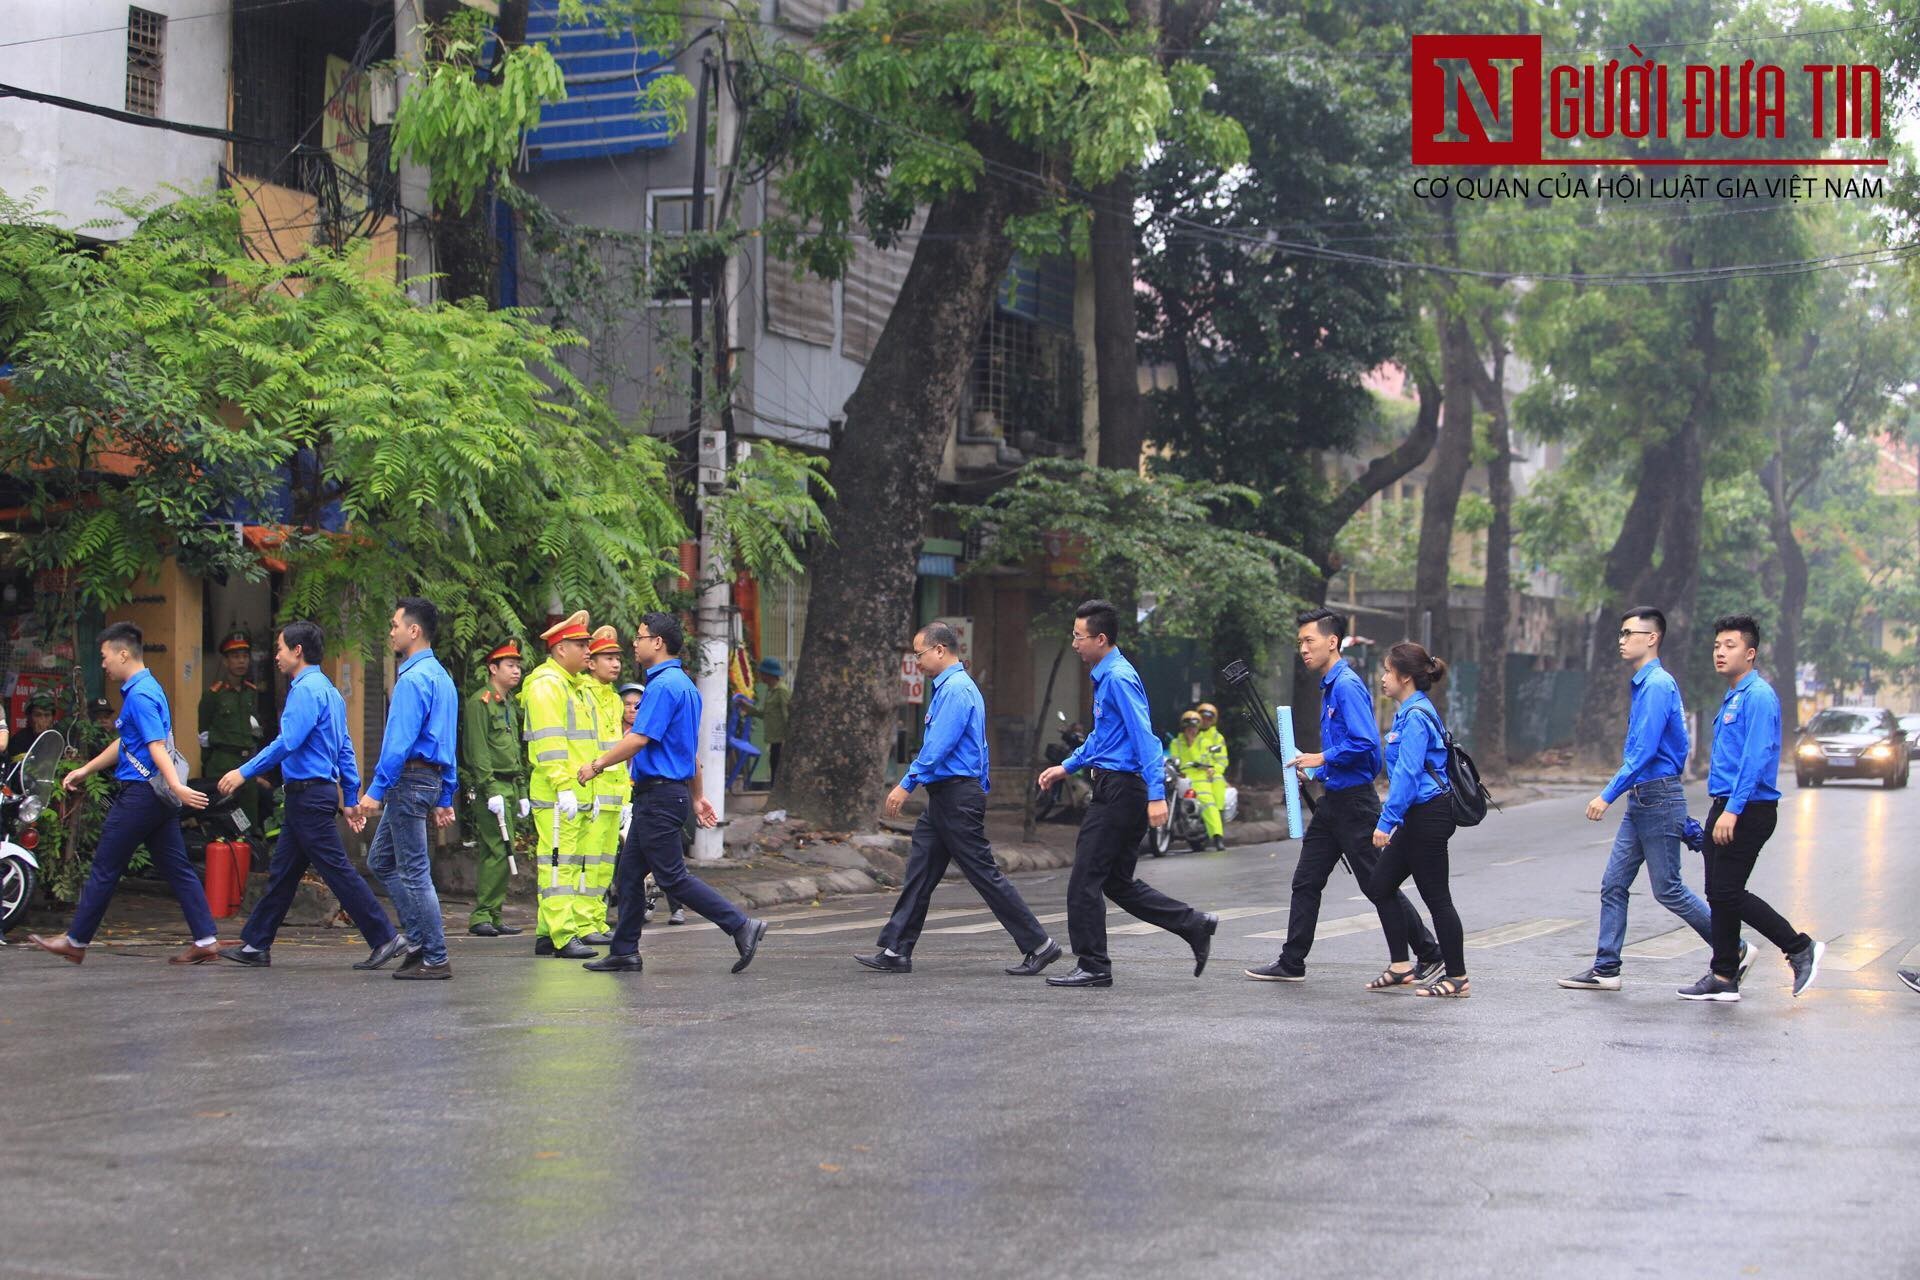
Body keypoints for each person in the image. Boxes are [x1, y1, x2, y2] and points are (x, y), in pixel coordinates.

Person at [1247, 609, 1445, 985]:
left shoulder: (1346, 685)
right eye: (1300, 643)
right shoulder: (1330, 685)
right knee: (1306, 880)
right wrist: (1317, 771)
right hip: (1333, 802)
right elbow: (1346, 751)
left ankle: (1429, 952)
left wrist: (1322, 757)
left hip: (1355, 804)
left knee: (1377, 884)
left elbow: (1365, 745)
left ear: (1332, 642)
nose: (1303, 649)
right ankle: (1292, 961)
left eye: (1309, 641)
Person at [1560, 606, 1748, 991]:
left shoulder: (1658, 685)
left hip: (1658, 797)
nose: (1622, 640)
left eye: (1629, 633)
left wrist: (1606, 795)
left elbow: (1643, 752)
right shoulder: (1648, 685)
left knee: (1668, 888)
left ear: (1652, 638)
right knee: (1614, 883)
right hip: (1645, 798)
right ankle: (1606, 968)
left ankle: (1735, 947)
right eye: (1621, 633)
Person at [856, 622, 1060, 976]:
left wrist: (906, 783)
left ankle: (1040, 945)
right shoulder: (955, 688)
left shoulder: (955, 690)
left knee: (983, 873)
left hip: (955, 796)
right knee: (920, 872)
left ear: (939, 650)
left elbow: (939, 747)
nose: (916, 661)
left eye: (919, 654)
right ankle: (896, 950)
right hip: (947, 797)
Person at [1035, 599, 1216, 988]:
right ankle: (1194, 924)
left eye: (1078, 637)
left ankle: (1094, 965)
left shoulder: (1118, 678)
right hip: (1117, 787)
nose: (1074, 644)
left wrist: (1155, 796)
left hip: (1121, 791)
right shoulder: (1106, 676)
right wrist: (1067, 765)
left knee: (1084, 879)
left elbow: (1146, 739)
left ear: (1100, 639)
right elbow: (1104, 737)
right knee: (1117, 882)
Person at [576, 611, 767, 974]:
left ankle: (741, 925)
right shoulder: (685, 686)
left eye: (640, 636)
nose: (634, 642)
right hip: (667, 794)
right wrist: (696, 797)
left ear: (657, 642)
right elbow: (688, 753)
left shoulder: (663, 687)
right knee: (630, 875)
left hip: (659, 797)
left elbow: (638, 738)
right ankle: (625, 951)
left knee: (672, 877)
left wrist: (597, 764)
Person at [214, 621, 408, 971]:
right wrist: (350, 797)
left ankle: (384, 936)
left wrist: (243, 772)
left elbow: (288, 742)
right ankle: (256, 944)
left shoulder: (304, 691)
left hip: (307, 795)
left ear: (297, 651)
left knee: (336, 870)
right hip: (313, 795)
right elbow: (345, 749)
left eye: (280, 649)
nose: (276, 656)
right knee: (283, 874)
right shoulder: (330, 692)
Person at [28, 622, 220, 965]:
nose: (103, 664)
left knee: (104, 866)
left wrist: (177, 786)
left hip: (142, 794)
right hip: (156, 796)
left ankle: (75, 940)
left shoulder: (141, 694)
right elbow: (129, 743)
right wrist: (88, 768)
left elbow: (156, 745)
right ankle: (205, 939)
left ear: (123, 653)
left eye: (104, 657)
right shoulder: (145, 688)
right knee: (177, 867)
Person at [1678, 616, 1824, 1002]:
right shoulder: (1735, 694)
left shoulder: (1758, 695)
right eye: (1716, 646)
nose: (1720, 653)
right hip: (1725, 804)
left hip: (1747, 808)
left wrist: (1734, 810)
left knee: (1727, 891)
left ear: (1751, 652)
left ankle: (1798, 947)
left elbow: (1755, 757)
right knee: (1718, 892)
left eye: (1729, 645)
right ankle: (1724, 975)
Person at [348, 599, 459, 981]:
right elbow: (448, 743)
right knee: (382, 861)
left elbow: (398, 743)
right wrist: (445, 795)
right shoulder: (442, 678)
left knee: (415, 873)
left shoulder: (413, 679)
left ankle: (435, 955)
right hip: (426, 781)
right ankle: (417, 943)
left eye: (395, 624)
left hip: (408, 781)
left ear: (414, 631)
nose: (391, 630)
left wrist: (375, 790)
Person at [1367, 642, 1470, 998]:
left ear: (1405, 677)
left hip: (1427, 814)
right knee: (1380, 885)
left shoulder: (1415, 717)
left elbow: (1409, 775)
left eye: (1387, 671)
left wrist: (1386, 822)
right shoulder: (1409, 712)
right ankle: (1400, 965)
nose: (1383, 678)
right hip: (1416, 815)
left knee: (1437, 897)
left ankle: (1457, 977)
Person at [519, 611, 601, 959]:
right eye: (582, 644)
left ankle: (547, 933)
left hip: (576, 790)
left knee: (565, 862)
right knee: (558, 864)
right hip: (558, 792)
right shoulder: (547, 686)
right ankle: (563, 935)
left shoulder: (574, 686)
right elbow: (550, 745)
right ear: (559, 647)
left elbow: (583, 745)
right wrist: (563, 786)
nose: (588, 651)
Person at [460, 639, 528, 938]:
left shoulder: (509, 704)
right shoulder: (480, 702)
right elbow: (478, 751)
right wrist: (490, 789)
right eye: (510, 666)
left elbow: (514, 749)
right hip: (493, 785)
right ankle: (482, 915)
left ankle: (494, 913)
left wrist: (523, 790)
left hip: (510, 783)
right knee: (497, 848)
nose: (517, 671)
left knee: (505, 849)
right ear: (493, 668)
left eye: (518, 666)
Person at [578, 625, 628, 944]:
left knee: (605, 865)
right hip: (593, 792)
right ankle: (583, 923)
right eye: (607, 657)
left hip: (614, 794)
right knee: (587, 862)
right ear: (591, 662)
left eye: (617, 658)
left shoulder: (615, 699)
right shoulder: (583, 694)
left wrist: (626, 797)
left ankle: (598, 919)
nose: (615, 663)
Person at [198, 630, 271, 836]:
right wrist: (209, 763)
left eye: (245, 656)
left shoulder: (251, 692)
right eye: (235, 657)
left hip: (247, 763)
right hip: (222, 761)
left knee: (249, 818)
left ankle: (250, 859)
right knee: (223, 817)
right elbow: (203, 736)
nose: (241, 661)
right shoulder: (213, 695)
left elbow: (255, 729)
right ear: (226, 660)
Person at [1168, 709, 1226, 850]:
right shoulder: (1176, 742)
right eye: (1189, 727)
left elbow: (1209, 760)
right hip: (1182, 777)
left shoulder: (1206, 742)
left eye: (1194, 727)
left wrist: (1212, 768)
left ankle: (1217, 836)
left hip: (1200, 778)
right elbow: (1174, 758)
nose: (1191, 730)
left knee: (1208, 804)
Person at [1193, 701, 1230, 851]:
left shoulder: (1216, 737)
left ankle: (1217, 834)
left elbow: (1221, 759)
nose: (1205, 720)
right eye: (1203, 717)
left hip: (1212, 773)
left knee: (1217, 783)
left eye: (1209, 717)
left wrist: (1214, 770)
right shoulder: (1192, 732)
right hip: (1195, 773)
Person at [749, 656, 790, 786]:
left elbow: (787, 715)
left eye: (762, 673)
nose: (760, 675)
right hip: (773, 739)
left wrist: (787, 739)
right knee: (774, 769)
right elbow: (765, 713)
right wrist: (747, 708)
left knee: (776, 773)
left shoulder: (781, 690)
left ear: (769, 674)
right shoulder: (770, 690)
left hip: (780, 740)